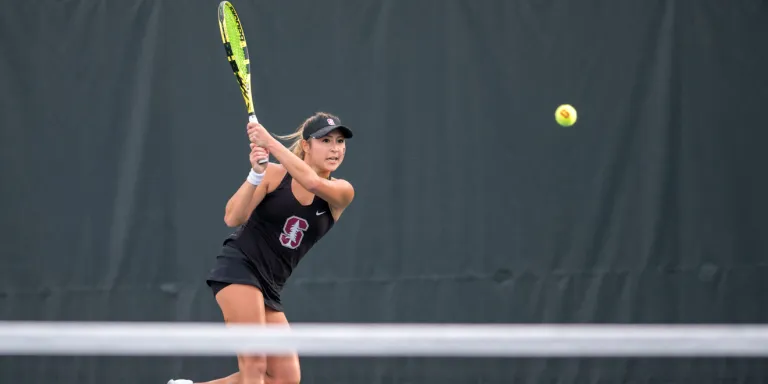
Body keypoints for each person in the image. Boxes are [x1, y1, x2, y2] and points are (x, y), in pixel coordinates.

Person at [168, 112, 355, 384]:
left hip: (270, 284)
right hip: (239, 268)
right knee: (254, 365)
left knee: (284, 378)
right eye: (325, 140)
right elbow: (233, 217)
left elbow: (312, 182)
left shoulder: (342, 191)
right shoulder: (274, 174)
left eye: (340, 141)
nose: (335, 148)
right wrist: (256, 174)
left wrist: (270, 142)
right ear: (306, 146)